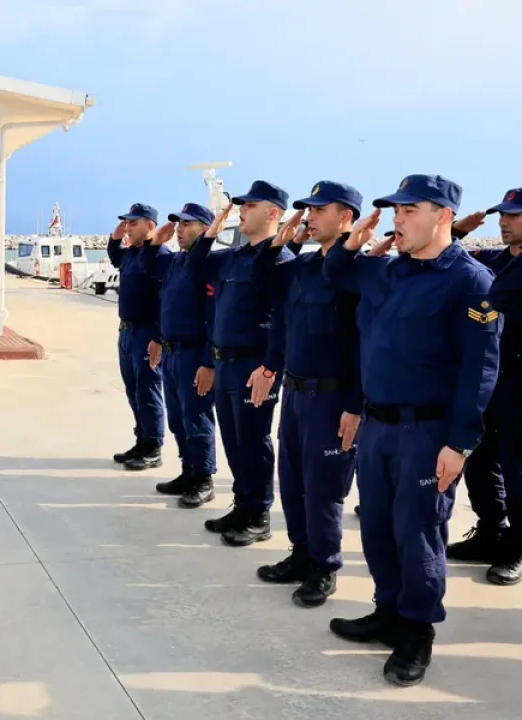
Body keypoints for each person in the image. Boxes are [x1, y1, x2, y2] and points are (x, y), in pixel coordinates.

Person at [322, 174, 501, 686]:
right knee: (377, 526)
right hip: (377, 425)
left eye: (409, 210)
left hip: (429, 431)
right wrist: (353, 241)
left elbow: (480, 370)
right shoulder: (387, 273)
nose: (398, 219)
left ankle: (417, 630)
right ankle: (388, 611)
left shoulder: (471, 283)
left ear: (443, 216)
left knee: (418, 531)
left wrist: (461, 442)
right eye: (395, 210)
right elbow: (337, 273)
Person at [251, 182, 362, 608]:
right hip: (296, 394)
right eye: (307, 211)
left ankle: (324, 565)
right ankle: (301, 553)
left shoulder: (355, 273)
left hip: (332, 398)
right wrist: (283, 243)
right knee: (292, 480)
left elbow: (363, 346)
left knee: (324, 487)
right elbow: (267, 291)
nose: (310, 216)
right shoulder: (300, 267)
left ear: (346, 218)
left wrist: (355, 405)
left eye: (319, 210)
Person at [183, 182, 294, 547]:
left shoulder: (279, 260)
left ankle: (259, 513)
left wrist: (269, 369)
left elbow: (283, 319)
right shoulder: (234, 257)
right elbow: (195, 268)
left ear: (273, 213)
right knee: (232, 440)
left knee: (253, 441)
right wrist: (213, 229)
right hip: (225, 363)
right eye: (241, 205)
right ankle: (242, 504)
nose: (241, 210)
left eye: (250, 205)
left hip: (254, 365)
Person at [444, 191, 522, 586]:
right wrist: (455, 230)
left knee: (518, 470)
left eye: (514, 216)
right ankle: (491, 530)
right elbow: (451, 261)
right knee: (480, 460)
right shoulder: (493, 260)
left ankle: (516, 547)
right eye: (502, 215)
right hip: (487, 381)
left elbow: (496, 296)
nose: (504, 222)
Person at [138, 203, 218, 500]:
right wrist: (156, 242)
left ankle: (204, 477)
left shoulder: (207, 265)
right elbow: (149, 268)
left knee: (196, 418)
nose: (180, 230)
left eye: (187, 225)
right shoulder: (176, 262)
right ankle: (189, 470)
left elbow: (212, 316)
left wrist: (209, 362)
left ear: (206, 229)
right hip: (172, 353)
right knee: (178, 418)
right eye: (179, 225)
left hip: (194, 353)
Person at [108, 204, 166, 471]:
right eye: (127, 223)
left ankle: (153, 446)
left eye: (133, 223)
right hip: (127, 331)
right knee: (133, 389)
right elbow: (114, 256)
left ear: (150, 226)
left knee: (148, 389)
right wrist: (116, 236)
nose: (129, 227)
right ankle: (141, 439)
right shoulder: (132, 253)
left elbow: (166, 302)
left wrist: (158, 337)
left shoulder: (159, 256)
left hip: (146, 332)